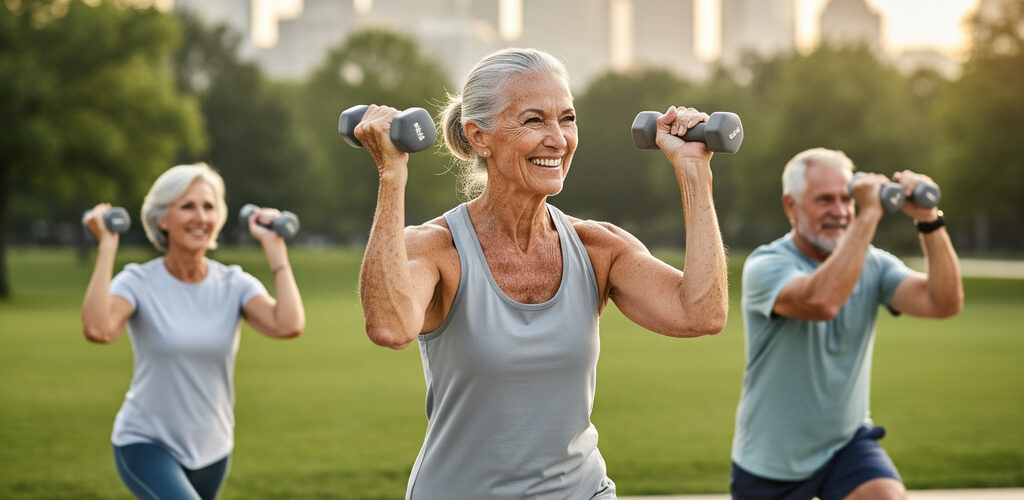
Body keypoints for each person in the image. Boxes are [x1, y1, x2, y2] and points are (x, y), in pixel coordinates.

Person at [356, 48, 729, 499]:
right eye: (534, 121)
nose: (558, 139)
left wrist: (694, 171)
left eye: (567, 119)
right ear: (480, 137)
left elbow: (702, 313)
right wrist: (391, 175)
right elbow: (390, 327)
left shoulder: (597, 248)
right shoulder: (438, 248)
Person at [731, 148, 964, 500]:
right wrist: (869, 213)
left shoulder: (875, 265)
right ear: (791, 206)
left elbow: (943, 302)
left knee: (885, 496)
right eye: (825, 200)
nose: (840, 212)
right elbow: (821, 300)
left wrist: (928, 218)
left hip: (845, 446)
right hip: (770, 461)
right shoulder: (766, 265)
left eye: (847, 198)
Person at [81, 162, 305, 500]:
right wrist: (107, 246)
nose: (200, 216)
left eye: (208, 206)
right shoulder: (138, 281)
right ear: (161, 219)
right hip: (146, 444)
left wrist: (275, 247)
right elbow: (98, 328)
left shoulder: (233, 283)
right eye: (187, 206)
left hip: (213, 449)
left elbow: (288, 324)